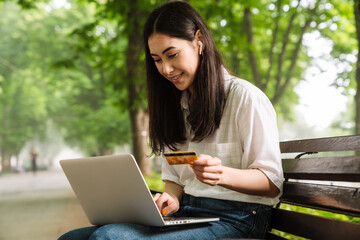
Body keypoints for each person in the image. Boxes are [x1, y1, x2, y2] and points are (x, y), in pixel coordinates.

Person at [58, 1, 283, 239]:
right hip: (190, 212)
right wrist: (171, 199)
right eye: (156, 60)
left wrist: (222, 175)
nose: (165, 69)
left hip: (240, 219)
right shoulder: (175, 106)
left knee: (109, 237)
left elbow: (271, 181)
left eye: (172, 55)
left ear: (199, 41)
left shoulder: (245, 97)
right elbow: (175, 179)